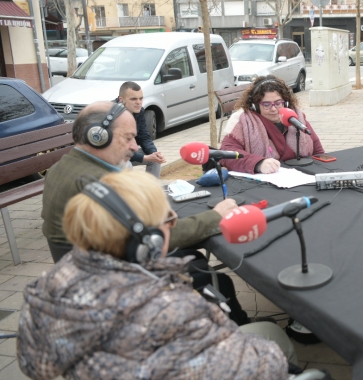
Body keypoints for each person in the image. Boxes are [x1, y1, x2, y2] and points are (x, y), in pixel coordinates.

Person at [19, 171, 294, 380]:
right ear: (146, 240)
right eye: (169, 219)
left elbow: (32, 363)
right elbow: (258, 366)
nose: (172, 224)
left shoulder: (48, 285)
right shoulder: (170, 309)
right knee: (272, 337)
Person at [41, 101, 251, 325]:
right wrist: (217, 216)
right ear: (98, 136)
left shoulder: (66, 166)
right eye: (128, 137)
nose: (134, 147)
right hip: (113, 282)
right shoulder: (103, 184)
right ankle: (242, 336)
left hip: (92, 270)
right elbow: (156, 237)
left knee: (194, 259)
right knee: (216, 280)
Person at [220, 76, 325, 174]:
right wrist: (258, 163)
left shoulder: (296, 117)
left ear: (286, 103)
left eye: (278, 103)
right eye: (266, 105)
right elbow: (227, 154)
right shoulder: (243, 122)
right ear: (255, 106)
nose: (274, 109)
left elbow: (318, 152)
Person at [115, 81, 166, 177]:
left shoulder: (139, 111)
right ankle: (129, 191)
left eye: (141, 98)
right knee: (127, 165)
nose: (138, 102)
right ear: (121, 100)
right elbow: (119, 150)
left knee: (155, 160)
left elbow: (144, 137)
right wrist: (145, 157)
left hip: (128, 152)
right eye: (133, 99)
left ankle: (151, 190)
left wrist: (154, 153)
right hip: (110, 157)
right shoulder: (113, 115)